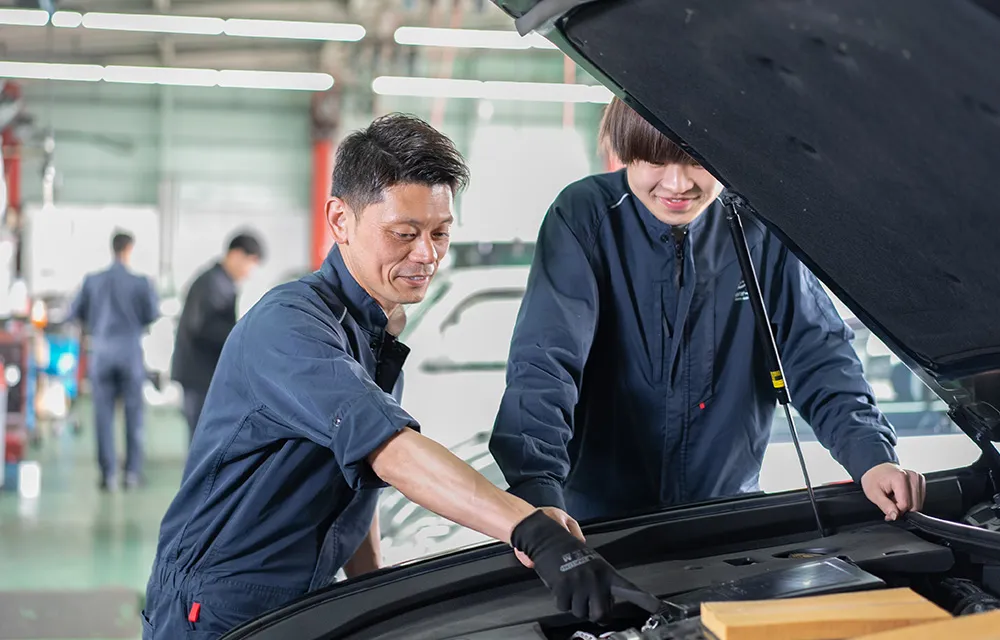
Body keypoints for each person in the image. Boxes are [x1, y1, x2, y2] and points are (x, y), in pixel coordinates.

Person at [141, 114, 636, 639]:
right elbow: (389, 451)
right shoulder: (288, 326)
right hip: (216, 608)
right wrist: (529, 527)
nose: (426, 255)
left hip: (300, 598)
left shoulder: (374, 332)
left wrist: (375, 589)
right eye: (405, 234)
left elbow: (354, 480)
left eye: (440, 233)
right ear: (340, 220)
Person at [490, 98, 927, 528]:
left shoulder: (759, 225)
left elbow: (817, 356)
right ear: (624, 152)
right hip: (597, 524)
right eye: (654, 161)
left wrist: (871, 457)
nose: (677, 184)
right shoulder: (585, 216)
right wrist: (538, 493)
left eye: (697, 161)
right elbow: (546, 363)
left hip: (724, 519)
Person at [70, 232, 159, 491]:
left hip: (101, 353)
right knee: (134, 415)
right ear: (129, 249)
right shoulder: (141, 283)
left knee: (103, 416)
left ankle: (108, 474)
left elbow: (74, 312)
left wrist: (96, 326)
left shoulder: (92, 281)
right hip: (130, 353)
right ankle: (132, 473)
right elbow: (152, 314)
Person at [171, 233, 263, 441]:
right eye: (250, 264)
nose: (249, 273)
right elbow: (200, 328)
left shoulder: (222, 283)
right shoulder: (211, 284)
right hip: (199, 377)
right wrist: (243, 334)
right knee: (202, 441)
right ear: (236, 255)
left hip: (206, 376)